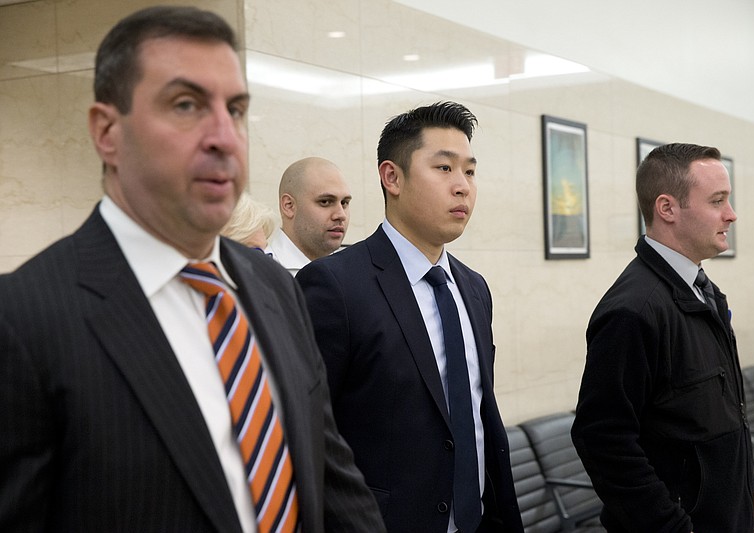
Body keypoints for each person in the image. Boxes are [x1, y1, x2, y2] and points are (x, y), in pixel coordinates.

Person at [0, 6, 384, 532]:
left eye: (237, 109)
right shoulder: (21, 321)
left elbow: (335, 486)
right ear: (106, 131)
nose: (224, 136)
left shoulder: (276, 288)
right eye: (186, 105)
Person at [296, 101, 523, 533]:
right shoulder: (333, 286)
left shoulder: (473, 288)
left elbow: (475, 416)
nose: (462, 187)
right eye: (444, 169)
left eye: (470, 172)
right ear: (392, 177)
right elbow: (309, 438)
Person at [571, 143, 754, 533]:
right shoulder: (634, 311)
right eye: (717, 201)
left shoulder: (704, 291)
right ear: (667, 209)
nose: (731, 214)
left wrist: (749, 491)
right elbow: (603, 440)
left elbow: (721, 411)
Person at [265, 157, 351, 275]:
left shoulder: (354, 271)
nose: (341, 215)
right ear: (289, 206)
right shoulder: (261, 274)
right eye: (325, 202)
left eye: (344, 203)